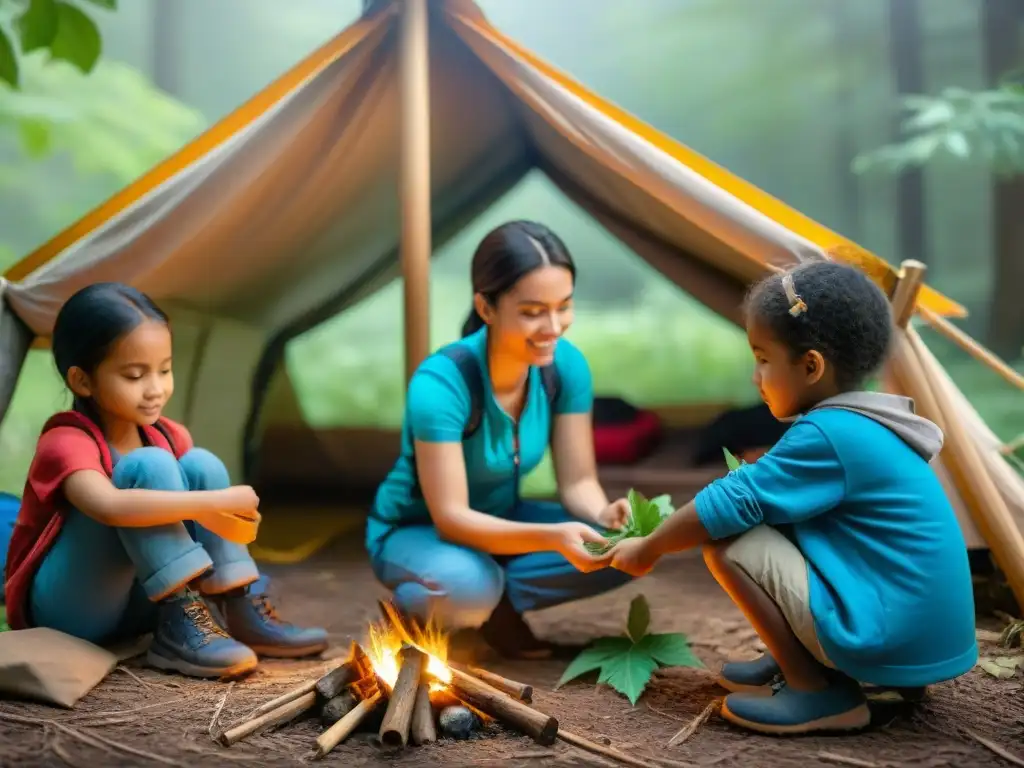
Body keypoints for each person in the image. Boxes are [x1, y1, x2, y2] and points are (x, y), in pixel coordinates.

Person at [603, 261, 977, 735]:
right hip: (924, 637)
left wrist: (649, 546)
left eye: (762, 357)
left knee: (728, 541)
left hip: (888, 639)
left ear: (811, 365)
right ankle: (794, 658)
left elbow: (727, 503)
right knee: (781, 515)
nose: (755, 376)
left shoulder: (827, 432)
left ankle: (818, 693)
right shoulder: (869, 422)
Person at [3, 283, 328, 679]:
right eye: (135, 375)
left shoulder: (167, 434)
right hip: (72, 609)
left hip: (140, 604)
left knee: (201, 465)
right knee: (151, 467)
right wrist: (213, 504)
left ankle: (236, 604)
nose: (155, 389)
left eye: (165, 369)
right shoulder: (66, 441)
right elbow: (108, 506)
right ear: (83, 381)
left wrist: (219, 508)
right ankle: (178, 624)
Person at [366, 220, 633, 660]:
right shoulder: (441, 384)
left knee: (626, 546)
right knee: (470, 589)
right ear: (486, 308)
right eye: (532, 311)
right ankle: (424, 610)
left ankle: (498, 607)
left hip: (501, 517)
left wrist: (603, 512)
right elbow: (451, 518)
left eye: (563, 306)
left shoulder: (565, 367)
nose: (554, 326)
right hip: (417, 529)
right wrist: (551, 537)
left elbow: (578, 481)